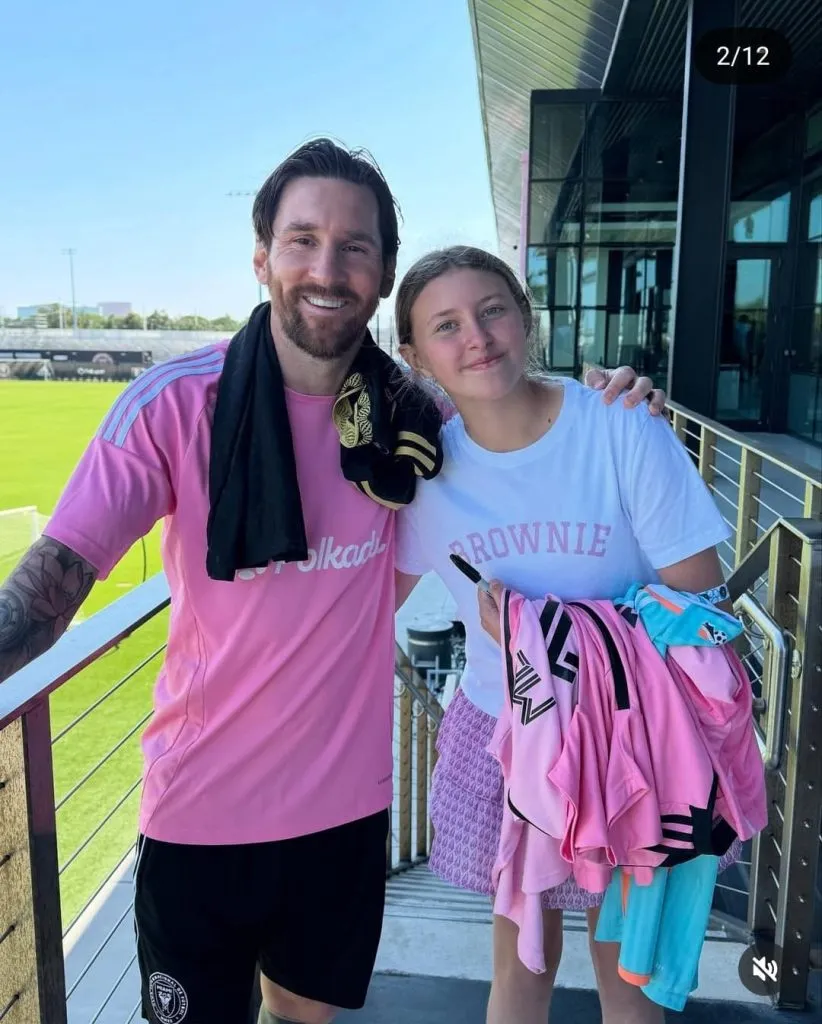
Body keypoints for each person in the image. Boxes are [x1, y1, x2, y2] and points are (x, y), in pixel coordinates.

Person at [0, 140, 664, 1024]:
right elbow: (51, 587)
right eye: (303, 238)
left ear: (383, 273)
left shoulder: (414, 425)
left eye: (355, 246)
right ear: (263, 256)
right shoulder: (174, 405)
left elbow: (522, 423)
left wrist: (618, 406)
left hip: (343, 821)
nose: (327, 266)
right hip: (200, 811)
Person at [393, 245, 738, 1024]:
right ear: (413, 357)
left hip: (629, 741)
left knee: (627, 980)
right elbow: (359, 596)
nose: (476, 336)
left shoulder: (618, 426)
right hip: (508, 738)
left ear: (526, 318)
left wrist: (545, 630)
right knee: (521, 972)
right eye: (445, 325)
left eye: (491, 310)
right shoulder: (420, 473)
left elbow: (700, 597)